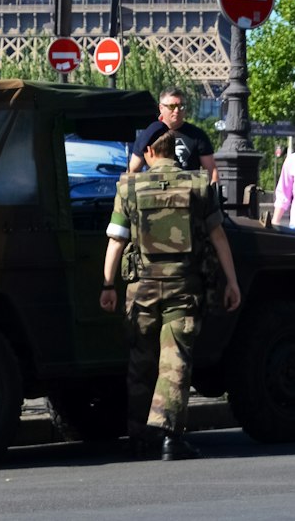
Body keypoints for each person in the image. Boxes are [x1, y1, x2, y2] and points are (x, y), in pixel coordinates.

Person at [101, 128, 241, 460]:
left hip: (142, 288)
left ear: (149, 151)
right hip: (184, 286)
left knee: (141, 362)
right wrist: (232, 282)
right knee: (175, 360)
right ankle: (168, 437)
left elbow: (116, 240)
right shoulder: (199, 184)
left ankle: (138, 437)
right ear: (174, 151)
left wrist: (107, 285)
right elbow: (219, 237)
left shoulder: (129, 187)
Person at [128, 88, 218, 182]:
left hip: (188, 192)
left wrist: (212, 194)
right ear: (161, 108)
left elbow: (212, 171)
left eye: (181, 106)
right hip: (155, 192)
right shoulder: (149, 134)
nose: (177, 110)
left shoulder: (197, 135)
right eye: (172, 106)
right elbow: (133, 170)